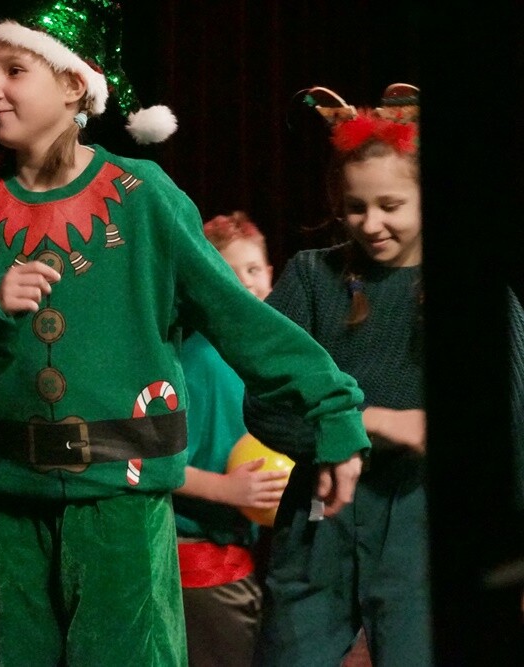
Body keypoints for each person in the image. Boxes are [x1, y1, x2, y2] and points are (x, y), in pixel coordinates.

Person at [0, 2, 371, 663]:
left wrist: (332, 411)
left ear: (74, 85)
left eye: (14, 70)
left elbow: (242, 320)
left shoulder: (142, 195)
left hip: (124, 507)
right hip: (15, 508)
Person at [243, 83, 430, 665]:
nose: (371, 224)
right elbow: (265, 402)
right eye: (356, 207)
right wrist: (368, 422)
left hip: (419, 516)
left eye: (391, 206)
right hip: (321, 511)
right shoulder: (311, 278)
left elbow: (508, 423)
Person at [173, 211, 287, 666]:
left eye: (253, 269)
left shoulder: (265, 362)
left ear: (271, 275)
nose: (244, 283)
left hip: (237, 558)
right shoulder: (199, 361)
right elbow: (146, 460)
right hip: (200, 567)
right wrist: (226, 489)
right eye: (228, 272)